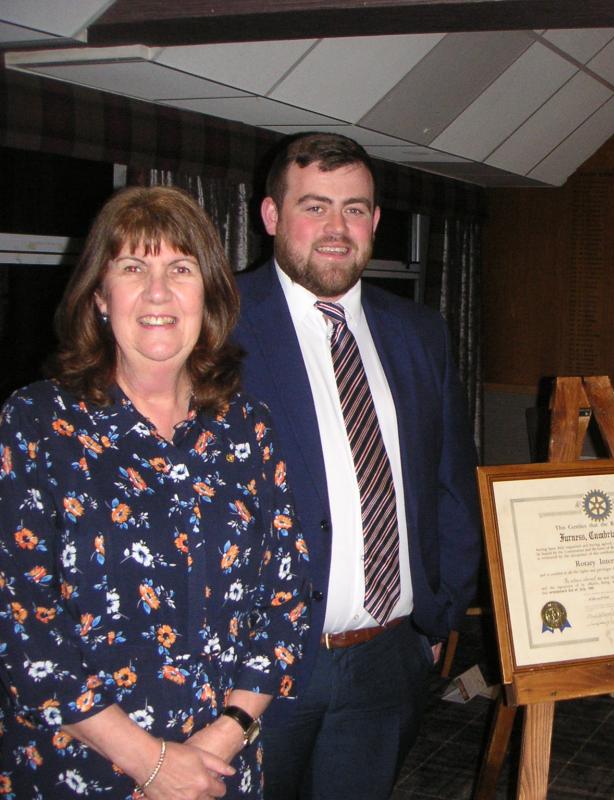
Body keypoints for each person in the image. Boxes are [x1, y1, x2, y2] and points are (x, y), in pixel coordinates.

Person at [0, 186, 311, 799]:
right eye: (133, 268)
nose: (159, 292)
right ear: (99, 296)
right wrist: (150, 762)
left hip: (220, 769)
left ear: (209, 296)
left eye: (181, 269)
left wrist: (222, 738)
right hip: (80, 768)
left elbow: (287, 597)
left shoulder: (246, 424)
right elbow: (20, 621)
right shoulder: (35, 423)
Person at [233, 132, 481, 799]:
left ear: (374, 220)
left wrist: (439, 614)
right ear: (271, 217)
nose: (336, 228)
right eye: (314, 207)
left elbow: (451, 481)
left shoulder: (418, 331)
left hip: (387, 658)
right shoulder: (217, 325)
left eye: (355, 209)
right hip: (255, 671)